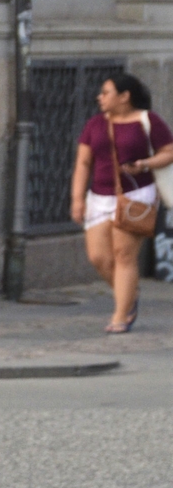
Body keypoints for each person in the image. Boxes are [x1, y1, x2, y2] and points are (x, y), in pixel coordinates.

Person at [69, 70, 168, 334]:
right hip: (99, 196)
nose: (99, 97)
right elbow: (83, 162)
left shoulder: (148, 121)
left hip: (136, 195)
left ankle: (120, 315)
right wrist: (77, 198)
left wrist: (145, 164)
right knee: (99, 256)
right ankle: (128, 295)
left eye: (106, 92)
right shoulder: (95, 125)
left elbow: (168, 152)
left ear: (124, 97)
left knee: (124, 255)